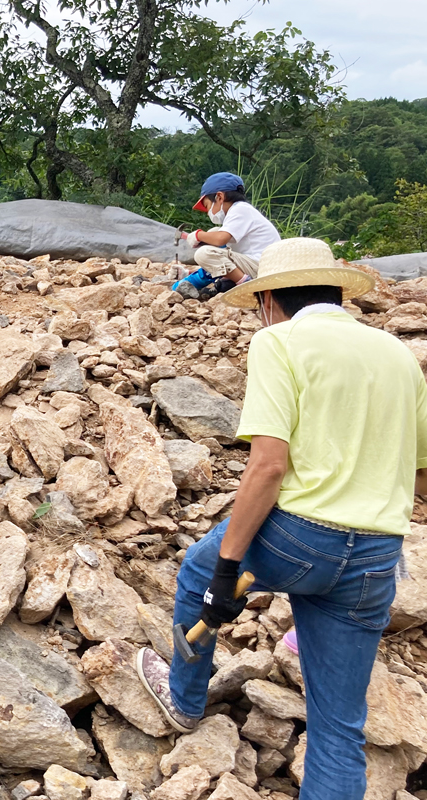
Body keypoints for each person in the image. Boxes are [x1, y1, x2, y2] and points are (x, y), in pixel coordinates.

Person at [136, 238, 427, 800]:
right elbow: (421, 477)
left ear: (268, 300)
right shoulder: (396, 354)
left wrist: (227, 570)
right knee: (339, 728)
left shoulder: (279, 341)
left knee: (199, 571)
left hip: (299, 538)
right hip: (374, 557)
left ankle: (185, 702)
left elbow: (268, 467)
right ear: (338, 293)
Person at [173, 172, 281, 298]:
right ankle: (235, 282)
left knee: (203, 253)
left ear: (219, 197)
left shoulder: (240, 209)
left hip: (262, 267)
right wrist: (188, 273)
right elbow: (222, 257)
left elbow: (220, 240)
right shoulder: (240, 211)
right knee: (214, 233)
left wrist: (198, 235)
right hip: (260, 265)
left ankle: (248, 286)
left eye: (207, 206)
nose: (208, 213)